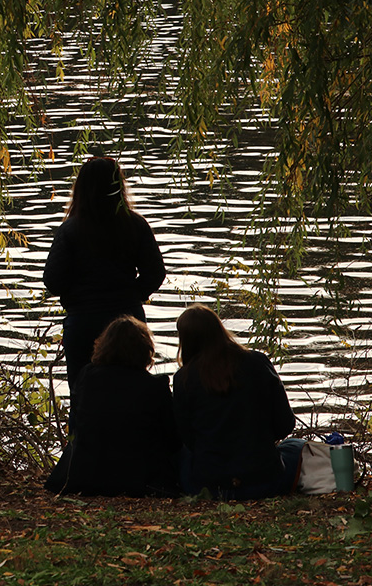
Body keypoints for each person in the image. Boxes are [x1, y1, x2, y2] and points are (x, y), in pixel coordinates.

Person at [43, 156, 166, 387]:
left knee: (83, 393)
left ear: (81, 189)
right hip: (129, 323)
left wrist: (78, 297)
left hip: (83, 322)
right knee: (132, 389)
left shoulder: (69, 230)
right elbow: (156, 273)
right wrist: (131, 295)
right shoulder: (135, 224)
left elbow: (53, 281)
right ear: (118, 187)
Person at [171, 304, 303, 499]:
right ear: (219, 330)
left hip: (210, 487)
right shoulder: (257, 362)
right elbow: (285, 425)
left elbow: (188, 439)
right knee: (296, 446)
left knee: (182, 454)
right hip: (264, 482)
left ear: (185, 340)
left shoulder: (183, 378)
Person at [44, 315, 180, 497]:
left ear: (104, 345)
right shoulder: (154, 386)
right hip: (138, 478)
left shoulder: (87, 377)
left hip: (86, 475)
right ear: (145, 348)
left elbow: (77, 421)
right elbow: (172, 438)